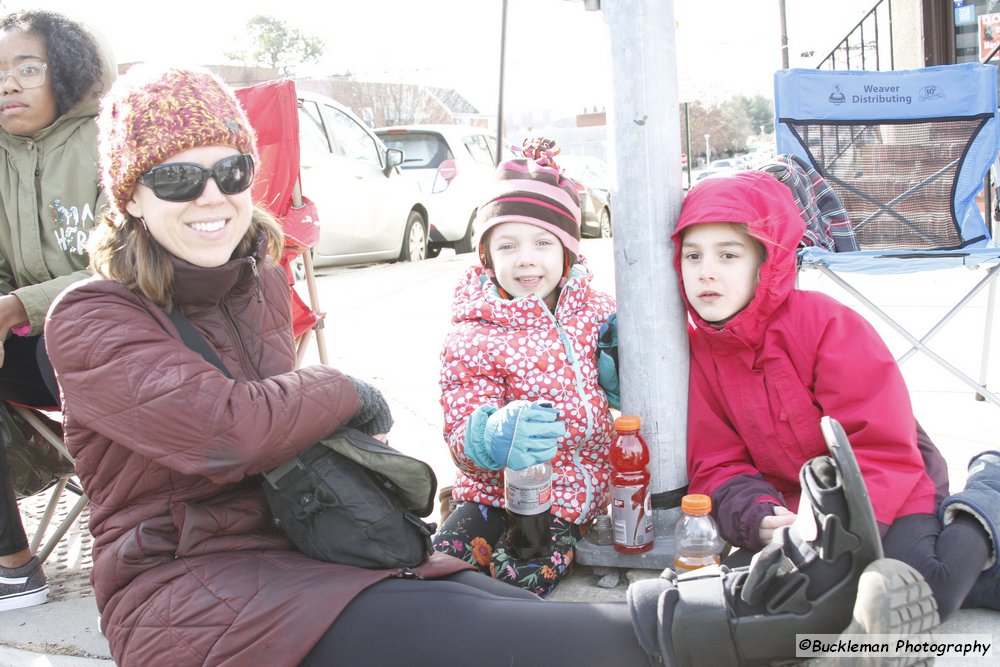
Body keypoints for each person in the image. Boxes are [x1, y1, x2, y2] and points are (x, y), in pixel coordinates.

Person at [42, 65, 939, 666]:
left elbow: (273, 438)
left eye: (231, 169)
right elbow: (219, 432)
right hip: (186, 588)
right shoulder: (91, 317)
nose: (212, 197)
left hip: (306, 547)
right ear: (128, 196)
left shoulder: (255, 287)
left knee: (497, 606)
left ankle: (763, 595)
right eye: (176, 180)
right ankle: (776, 621)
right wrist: (343, 389)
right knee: (485, 632)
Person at [672, 169, 1000, 619]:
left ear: (766, 262)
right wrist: (757, 515)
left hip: (888, 483)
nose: (706, 272)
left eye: (728, 255)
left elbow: (881, 441)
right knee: (788, 599)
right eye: (693, 256)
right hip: (799, 507)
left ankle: (988, 492)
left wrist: (837, 531)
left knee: (929, 591)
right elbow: (715, 458)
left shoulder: (825, 323)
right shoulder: (698, 350)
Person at [433, 141, 618, 596]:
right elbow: (459, 428)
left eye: (542, 242)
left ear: (568, 251)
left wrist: (620, 376)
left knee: (522, 578)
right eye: (508, 245)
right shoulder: (474, 332)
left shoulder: (597, 314)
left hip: (570, 498)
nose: (526, 259)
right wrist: (488, 436)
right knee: (439, 569)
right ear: (487, 256)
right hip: (491, 491)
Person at [0, 9, 114, 612]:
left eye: (27, 67)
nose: (8, 84)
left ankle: (141, 535)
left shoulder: (110, 138)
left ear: (66, 74)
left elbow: (123, 256)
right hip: (27, 338)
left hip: (119, 335)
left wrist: (20, 304)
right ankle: (12, 563)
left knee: (65, 339)